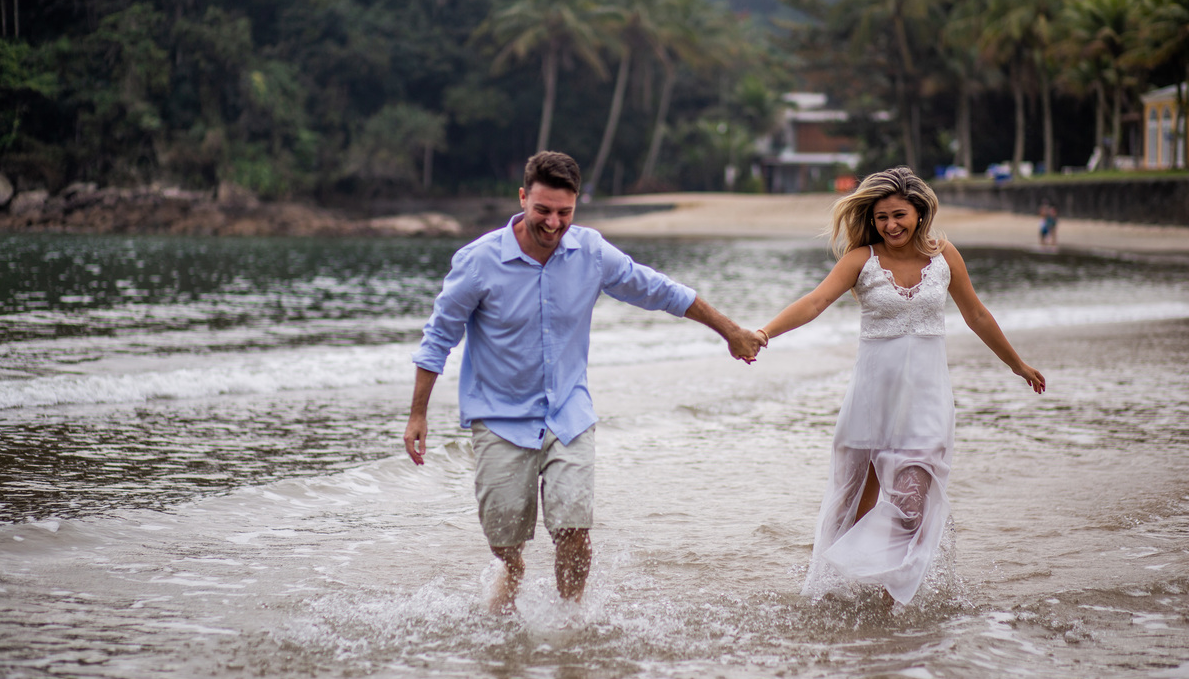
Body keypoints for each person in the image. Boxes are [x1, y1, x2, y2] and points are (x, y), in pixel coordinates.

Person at [405, 151, 764, 614]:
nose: (554, 224)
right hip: (498, 418)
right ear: (522, 198)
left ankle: (570, 623)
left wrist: (730, 331)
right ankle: (511, 570)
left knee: (573, 529)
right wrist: (417, 414)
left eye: (565, 212)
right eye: (543, 211)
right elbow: (438, 339)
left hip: (568, 414)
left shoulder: (591, 251)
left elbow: (661, 291)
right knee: (504, 537)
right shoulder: (478, 262)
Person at [753, 166, 1045, 606]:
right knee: (853, 501)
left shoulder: (944, 256)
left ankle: (891, 594)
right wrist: (763, 334)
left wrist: (1016, 364)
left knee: (911, 505)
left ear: (920, 212)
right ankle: (840, 591)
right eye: (882, 217)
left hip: (926, 402)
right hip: (872, 400)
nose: (891, 225)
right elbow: (814, 302)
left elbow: (977, 315)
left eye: (900, 215)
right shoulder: (861, 261)